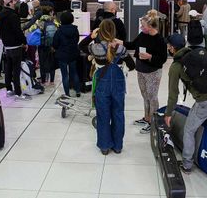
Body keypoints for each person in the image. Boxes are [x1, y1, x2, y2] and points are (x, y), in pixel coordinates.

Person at [164, 33, 207, 174]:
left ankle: (187, 165)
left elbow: (173, 94)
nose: (168, 48)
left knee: (189, 130)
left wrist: (168, 113)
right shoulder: (196, 52)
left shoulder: (176, 66)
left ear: (173, 48)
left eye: (168, 46)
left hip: (205, 102)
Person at [80, 20, 135, 155]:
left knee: (103, 114)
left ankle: (104, 146)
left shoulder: (96, 48)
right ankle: (117, 146)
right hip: (118, 83)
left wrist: (91, 36)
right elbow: (132, 66)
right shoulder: (120, 48)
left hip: (102, 83)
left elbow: (81, 46)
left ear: (101, 31)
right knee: (118, 114)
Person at [121, 12, 167, 134]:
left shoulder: (160, 40)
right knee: (145, 95)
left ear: (151, 26)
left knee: (152, 97)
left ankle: (153, 122)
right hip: (141, 70)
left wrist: (150, 57)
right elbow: (132, 44)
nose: (141, 28)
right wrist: (120, 42)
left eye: (143, 26)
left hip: (152, 72)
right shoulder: (142, 35)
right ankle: (146, 118)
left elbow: (163, 59)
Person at [0, 0, 27, 99]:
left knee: (8, 68)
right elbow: (17, 31)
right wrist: (24, 41)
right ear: (10, 3)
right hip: (15, 45)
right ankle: (18, 92)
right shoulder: (13, 15)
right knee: (16, 70)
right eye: (15, 1)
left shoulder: (1, 15)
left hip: (6, 45)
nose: (17, 3)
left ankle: (9, 89)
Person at [53, 11, 80, 97]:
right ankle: (78, 91)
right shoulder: (75, 29)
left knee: (65, 75)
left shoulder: (59, 31)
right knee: (74, 73)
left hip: (62, 54)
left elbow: (55, 43)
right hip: (73, 53)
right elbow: (77, 40)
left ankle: (67, 93)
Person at [30, 6, 58, 85]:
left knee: (42, 63)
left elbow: (31, 30)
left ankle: (43, 81)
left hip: (42, 45)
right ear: (50, 12)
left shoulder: (39, 22)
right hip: (52, 46)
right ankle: (52, 81)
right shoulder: (54, 22)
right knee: (52, 62)